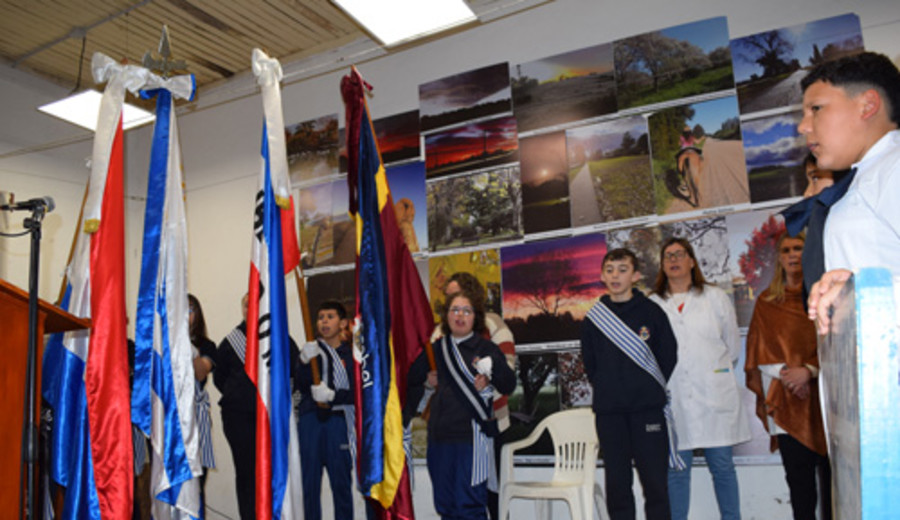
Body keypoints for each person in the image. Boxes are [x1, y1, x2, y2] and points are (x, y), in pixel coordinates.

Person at [796, 52, 900, 330]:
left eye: (816, 108)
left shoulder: (894, 166)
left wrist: (860, 294)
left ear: (867, 105)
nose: (803, 126)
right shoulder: (863, 178)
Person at [649, 238, 751, 520]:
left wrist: (709, 370)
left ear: (692, 261)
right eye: (668, 255)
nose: (674, 259)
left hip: (714, 395)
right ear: (662, 264)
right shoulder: (653, 303)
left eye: (680, 254)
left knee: (722, 466)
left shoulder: (714, 296)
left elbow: (731, 347)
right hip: (674, 397)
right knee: (677, 470)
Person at [581, 248, 678, 520]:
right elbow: (591, 363)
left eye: (623, 270)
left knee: (656, 485)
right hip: (610, 413)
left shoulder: (652, 312)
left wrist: (646, 388)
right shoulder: (593, 319)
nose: (615, 276)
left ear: (635, 275)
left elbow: (668, 355)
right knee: (617, 485)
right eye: (610, 270)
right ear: (602, 275)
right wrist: (610, 387)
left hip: (647, 410)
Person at [408, 287, 517, 519]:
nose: (460, 315)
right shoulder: (436, 349)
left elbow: (508, 385)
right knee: (445, 506)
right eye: (455, 310)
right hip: (438, 437)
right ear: (446, 316)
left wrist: (492, 370)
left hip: (472, 439)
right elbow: (411, 377)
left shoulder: (486, 348)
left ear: (476, 317)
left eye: (466, 311)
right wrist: (427, 380)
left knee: (470, 507)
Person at [745, 232, 830, 520]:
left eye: (799, 248)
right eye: (786, 250)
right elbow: (757, 352)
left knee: (833, 483)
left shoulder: (827, 300)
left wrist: (808, 371)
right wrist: (788, 376)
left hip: (827, 403)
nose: (793, 254)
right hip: (786, 403)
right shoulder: (767, 303)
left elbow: (838, 345)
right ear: (779, 258)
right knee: (799, 486)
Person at [296, 301, 355, 520]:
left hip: (338, 421)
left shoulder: (351, 355)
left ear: (343, 323)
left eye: (330, 316)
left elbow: (358, 393)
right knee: (309, 484)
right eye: (321, 317)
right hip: (311, 421)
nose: (324, 321)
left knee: (341, 483)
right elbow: (299, 385)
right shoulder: (312, 351)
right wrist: (302, 361)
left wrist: (333, 396)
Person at [213, 294, 256, 520]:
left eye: (255, 302)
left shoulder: (277, 336)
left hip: (267, 417)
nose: (250, 307)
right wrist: (240, 395)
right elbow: (219, 378)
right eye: (246, 304)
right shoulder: (231, 342)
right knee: (247, 473)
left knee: (271, 472)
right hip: (238, 418)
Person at [188, 294, 217, 509]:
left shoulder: (207, 345)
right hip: (168, 419)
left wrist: (192, 353)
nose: (185, 314)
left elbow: (201, 373)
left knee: (196, 483)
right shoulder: (161, 343)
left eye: (190, 309)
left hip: (195, 417)